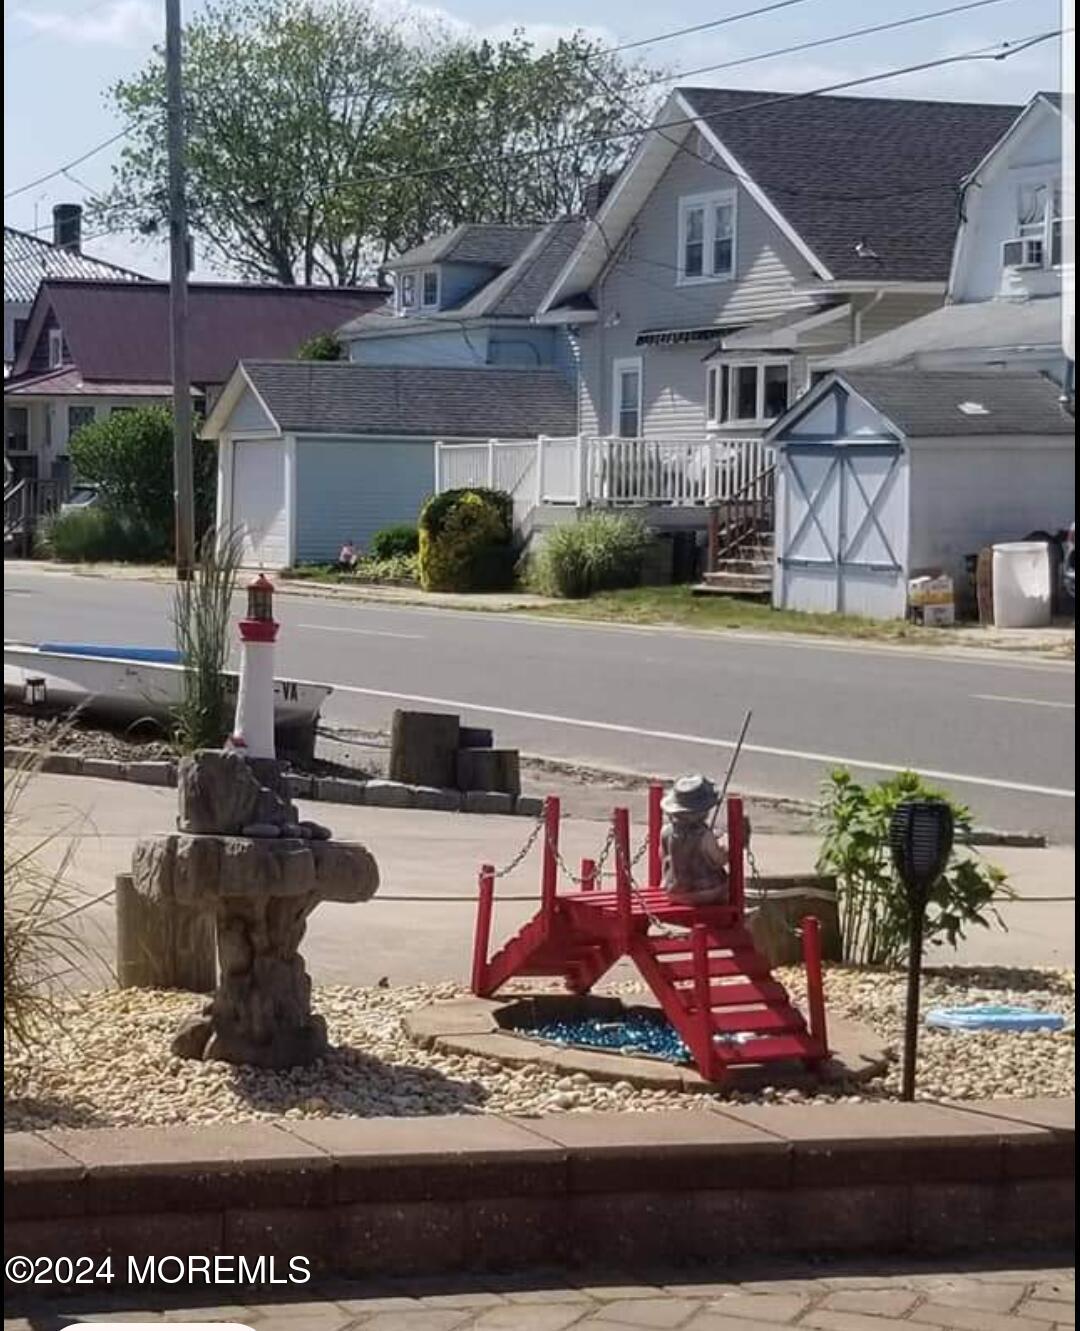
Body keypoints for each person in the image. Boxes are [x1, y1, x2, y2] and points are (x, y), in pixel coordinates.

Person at [660, 774, 729, 905]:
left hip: (673, 891)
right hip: (703, 892)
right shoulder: (704, 835)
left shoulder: (666, 831)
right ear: (703, 811)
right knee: (728, 882)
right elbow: (719, 860)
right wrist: (725, 850)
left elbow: (664, 858)